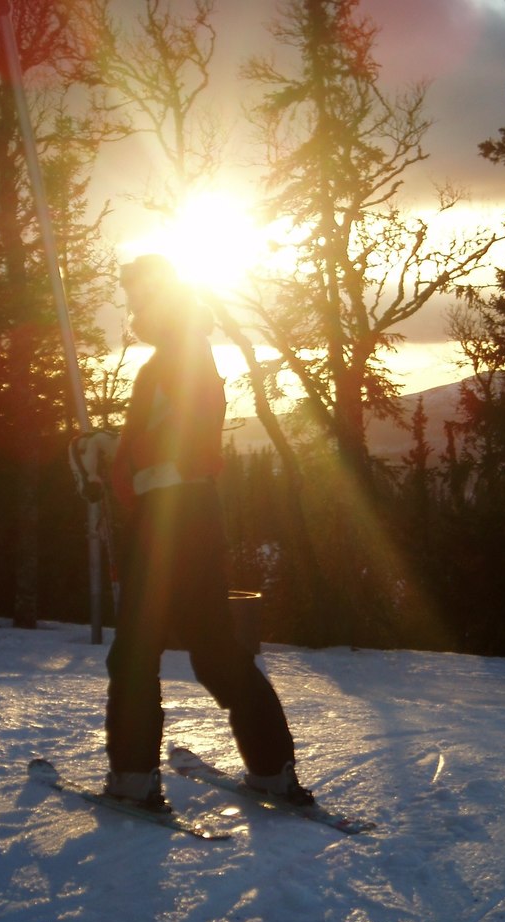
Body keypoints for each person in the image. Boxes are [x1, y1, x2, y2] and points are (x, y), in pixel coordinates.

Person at [100, 254, 313, 812]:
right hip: (186, 514)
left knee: (137, 652)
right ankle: (270, 768)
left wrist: (114, 465)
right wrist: (119, 461)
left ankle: (133, 776)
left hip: (170, 517)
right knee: (213, 649)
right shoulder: (181, 352)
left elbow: (186, 436)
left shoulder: (181, 355)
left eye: (144, 293)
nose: (137, 304)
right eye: (134, 294)